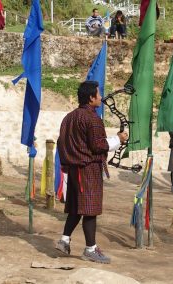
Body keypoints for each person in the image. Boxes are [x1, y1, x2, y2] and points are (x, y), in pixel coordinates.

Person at [55, 81, 128, 264]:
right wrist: (118, 139)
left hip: (73, 169)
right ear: (91, 97)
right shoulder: (92, 118)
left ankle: (64, 240)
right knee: (89, 210)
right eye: (98, 94)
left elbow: (61, 143)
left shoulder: (69, 117)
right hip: (87, 169)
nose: (101, 97)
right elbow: (98, 145)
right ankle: (90, 249)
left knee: (76, 207)